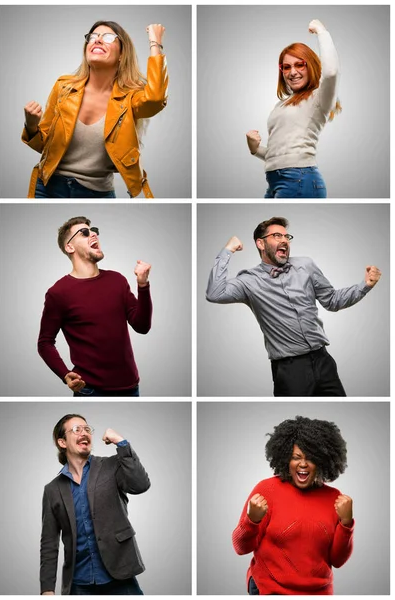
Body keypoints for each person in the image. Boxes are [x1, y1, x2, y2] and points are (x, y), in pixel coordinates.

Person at [206, 216, 381, 396]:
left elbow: (332, 301)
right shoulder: (249, 281)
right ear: (260, 244)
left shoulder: (306, 265)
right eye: (277, 236)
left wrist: (365, 285)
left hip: (323, 361)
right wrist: (228, 250)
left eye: (286, 237)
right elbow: (214, 293)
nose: (284, 241)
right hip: (290, 370)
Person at [22, 21, 167, 198]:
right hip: (48, 187)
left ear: (122, 54)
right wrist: (31, 125)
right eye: (92, 37)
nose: (97, 40)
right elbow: (44, 147)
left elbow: (155, 99)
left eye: (108, 37)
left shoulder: (130, 98)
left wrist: (155, 43)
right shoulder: (64, 87)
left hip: (98, 192)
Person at [233, 416, 353, 595]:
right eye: (296, 457)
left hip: (319, 592)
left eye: (310, 458)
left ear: (322, 461)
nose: (303, 464)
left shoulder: (335, 498)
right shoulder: (267, 490)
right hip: (270, 589)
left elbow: (338, 560)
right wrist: (252, 521)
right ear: (286, 459)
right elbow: (240, 548)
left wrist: (346, 523)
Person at [38, 216, 152, 396]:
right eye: (84, 233)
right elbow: (45, 343)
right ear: (70, 247)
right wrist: (65, 374)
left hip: (130, 387)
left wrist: (143, 285)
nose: (93, 235)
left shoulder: (117, 280)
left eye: (94, 231)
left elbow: (142, 326)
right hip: (89, 390)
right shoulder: (58, 293)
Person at [41, 414, 150, 595]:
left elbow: (140, 485)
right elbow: (49, 542)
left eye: (87, 429)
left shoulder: (111, 465)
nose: (84, 433)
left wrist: (121, 443)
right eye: (77, 430)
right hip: (79, 583)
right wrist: (47, 589)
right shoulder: (52, 489)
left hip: (120, 576)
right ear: (62, 443)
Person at [246, 19, 340, 198]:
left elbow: (331, 72)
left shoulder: (318, 97)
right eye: (286, 67)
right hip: (274, 180)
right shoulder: (280, 105)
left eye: (299, 64)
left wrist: (321, 31)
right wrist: (255, 149)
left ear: (311, 65)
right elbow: (279, 157)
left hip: (299, 179)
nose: (292, 72)